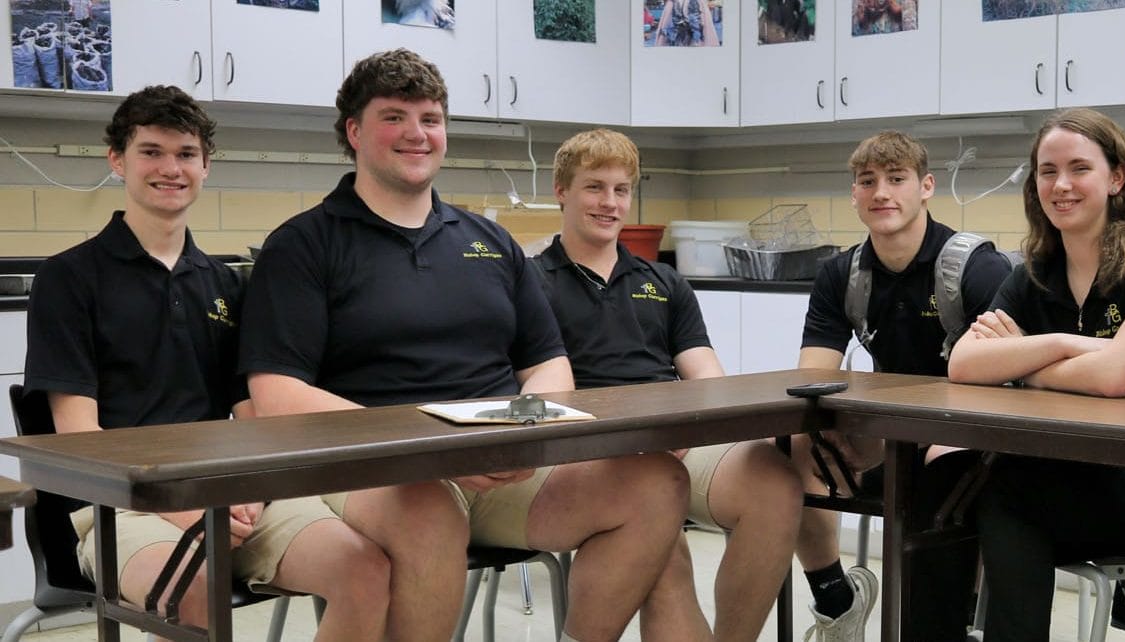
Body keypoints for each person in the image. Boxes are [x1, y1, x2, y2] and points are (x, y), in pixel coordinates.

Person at [239, 50, 690, 642]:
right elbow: (276, 396)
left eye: (430, 118)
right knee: (429, 510)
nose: (416, 133)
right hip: (369, 467)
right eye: (394, 116)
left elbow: (549, 364)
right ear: (354, 131)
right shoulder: (304, 245)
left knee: (656, 484)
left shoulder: (489, 242)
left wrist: (525, 432)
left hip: (495, 463)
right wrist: (433, 445)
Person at [24, 85, 391, 639]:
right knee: (192, 586)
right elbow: (80, 435)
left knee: (365, 568)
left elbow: (250, 412)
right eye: (151, 152)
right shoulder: (68, 279)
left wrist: (247, 490)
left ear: (205, 166)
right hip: (120, 505)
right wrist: (181, 509)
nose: (170, 168)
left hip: (225, 491)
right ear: (118, 160)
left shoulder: (227, 284)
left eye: (186, 154)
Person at [946, 107, 1125, 641]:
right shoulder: (1035, 274)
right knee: (1000, 493)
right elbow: (964, 364)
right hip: (1089, 475)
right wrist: (1065, 344)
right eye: (1047, 171)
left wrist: (1024, 367)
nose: (1061, 185)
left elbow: (1119, 375)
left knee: (1012, 494)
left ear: (1116, 178)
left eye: (1079, 168)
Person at [534, 128, 803, 642]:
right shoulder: (531, 283)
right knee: (665, 549)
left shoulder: (663, 281)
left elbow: (706, 376)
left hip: (672, 441)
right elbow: (537, 394)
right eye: (594, 187)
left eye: (621, 190)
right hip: (583, 452)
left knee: (775, 484)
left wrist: (689, 429)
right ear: (561, 190)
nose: (609, 203)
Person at [797, 129, 1014, 640]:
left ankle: (949, 621)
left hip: (966, 435)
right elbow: (812, 376)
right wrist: (832, 433)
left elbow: (1010, 376)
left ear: (926, 187)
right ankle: (837, 598)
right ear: (854, 195)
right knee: (790, 450)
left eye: (897, 179)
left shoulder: (975, 268)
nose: (881, 193)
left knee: (942, 468)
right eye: (867, 182)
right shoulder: (840, 274)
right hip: (890, 433)